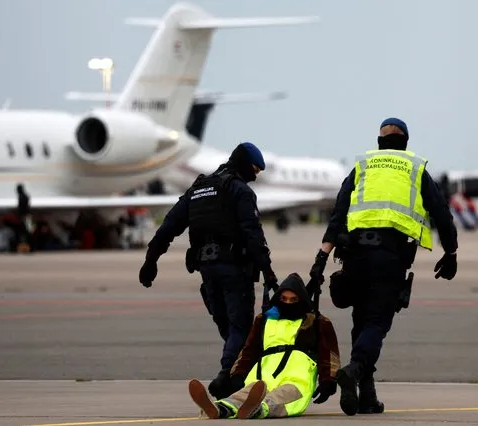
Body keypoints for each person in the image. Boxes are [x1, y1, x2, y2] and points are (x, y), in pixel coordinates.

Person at [308, 117, 459, 416]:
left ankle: (367, 396)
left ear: (380, 140)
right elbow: (441, 213)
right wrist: (450, 251)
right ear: (405, 141)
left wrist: (321, 259)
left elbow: (338, 213)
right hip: (389, 257)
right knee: (377, 323)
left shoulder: (363, 166)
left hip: (355, 256)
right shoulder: (416, 169)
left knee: (361, 321)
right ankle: (354, 370)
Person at [138, 141, 279, 399]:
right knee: (240, 327)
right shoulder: (240, 191)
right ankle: (227, 377)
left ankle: (237, 377)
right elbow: (253, 235)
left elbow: (169, 226)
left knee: (227, 326)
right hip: (235, 270)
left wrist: (151, 260)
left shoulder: (198, 189)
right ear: (245, 165)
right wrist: (269, 274)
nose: (255, 176)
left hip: (207, 270)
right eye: (255, 170)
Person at [187, 273, 340, 419]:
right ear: (278, 298)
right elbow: (249, 350)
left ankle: (258, 409)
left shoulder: (316, 322)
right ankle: (220, 408)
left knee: (281, 397)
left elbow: (329, 354)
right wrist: (238, 374)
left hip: (297, 379)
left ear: (302, 300)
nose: (287, 303)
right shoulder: (264, 320)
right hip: (261, 377)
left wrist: (328, 380)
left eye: (293, 300)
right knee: (242, 395)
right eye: (284, 299)